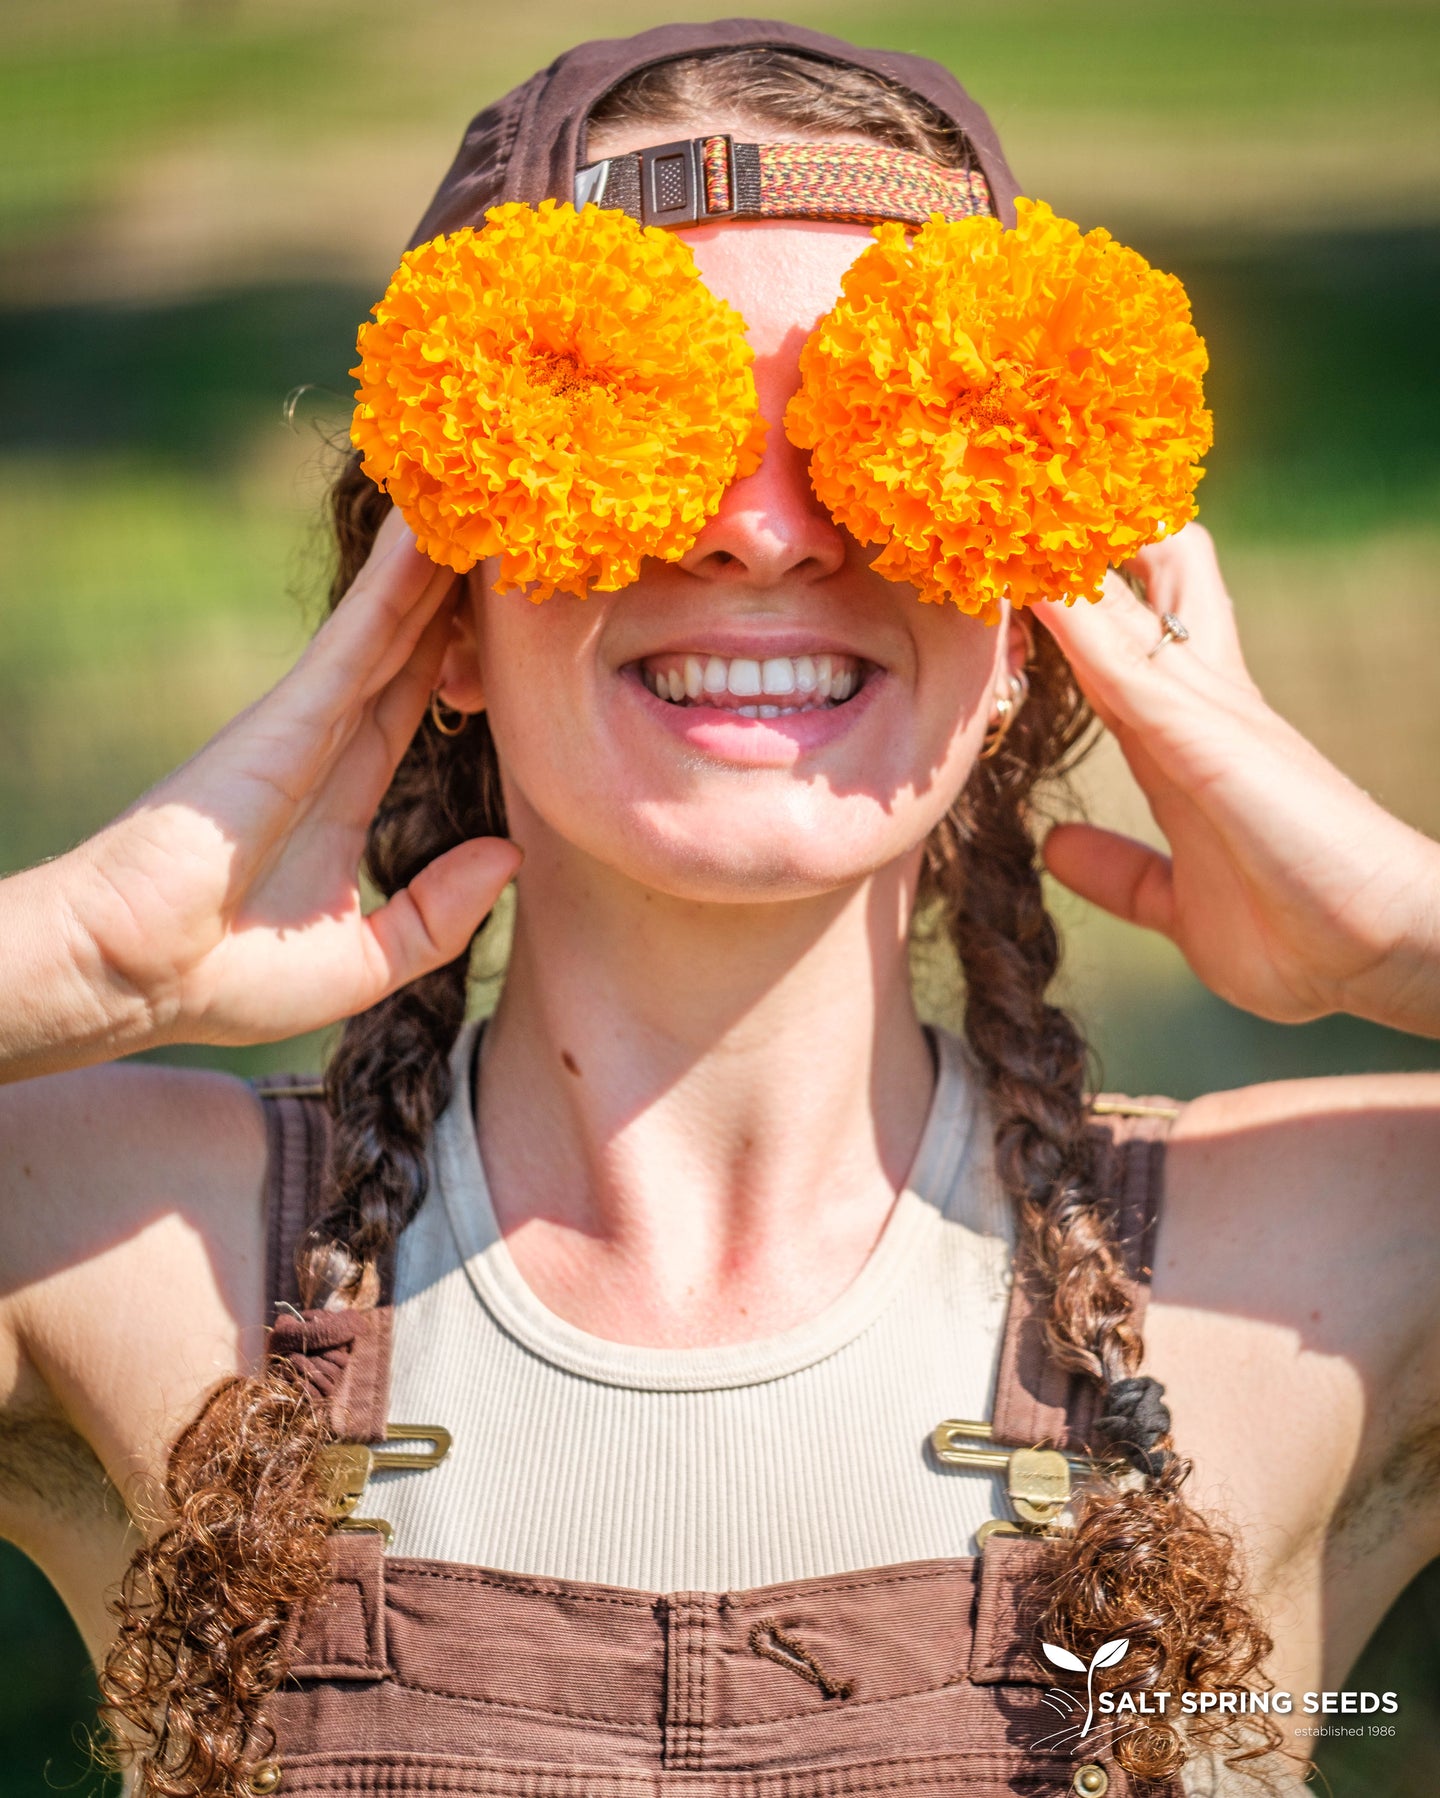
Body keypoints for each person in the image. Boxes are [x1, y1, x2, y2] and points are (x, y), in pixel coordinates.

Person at [2, 20, 1438, 1798]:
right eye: (631, 423)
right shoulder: (116, 1251)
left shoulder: (1329, 1267)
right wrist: (64, 959)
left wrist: (1408, 932)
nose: (764, 533)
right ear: (442, 601)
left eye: (879, 432)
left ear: (1032, 610)